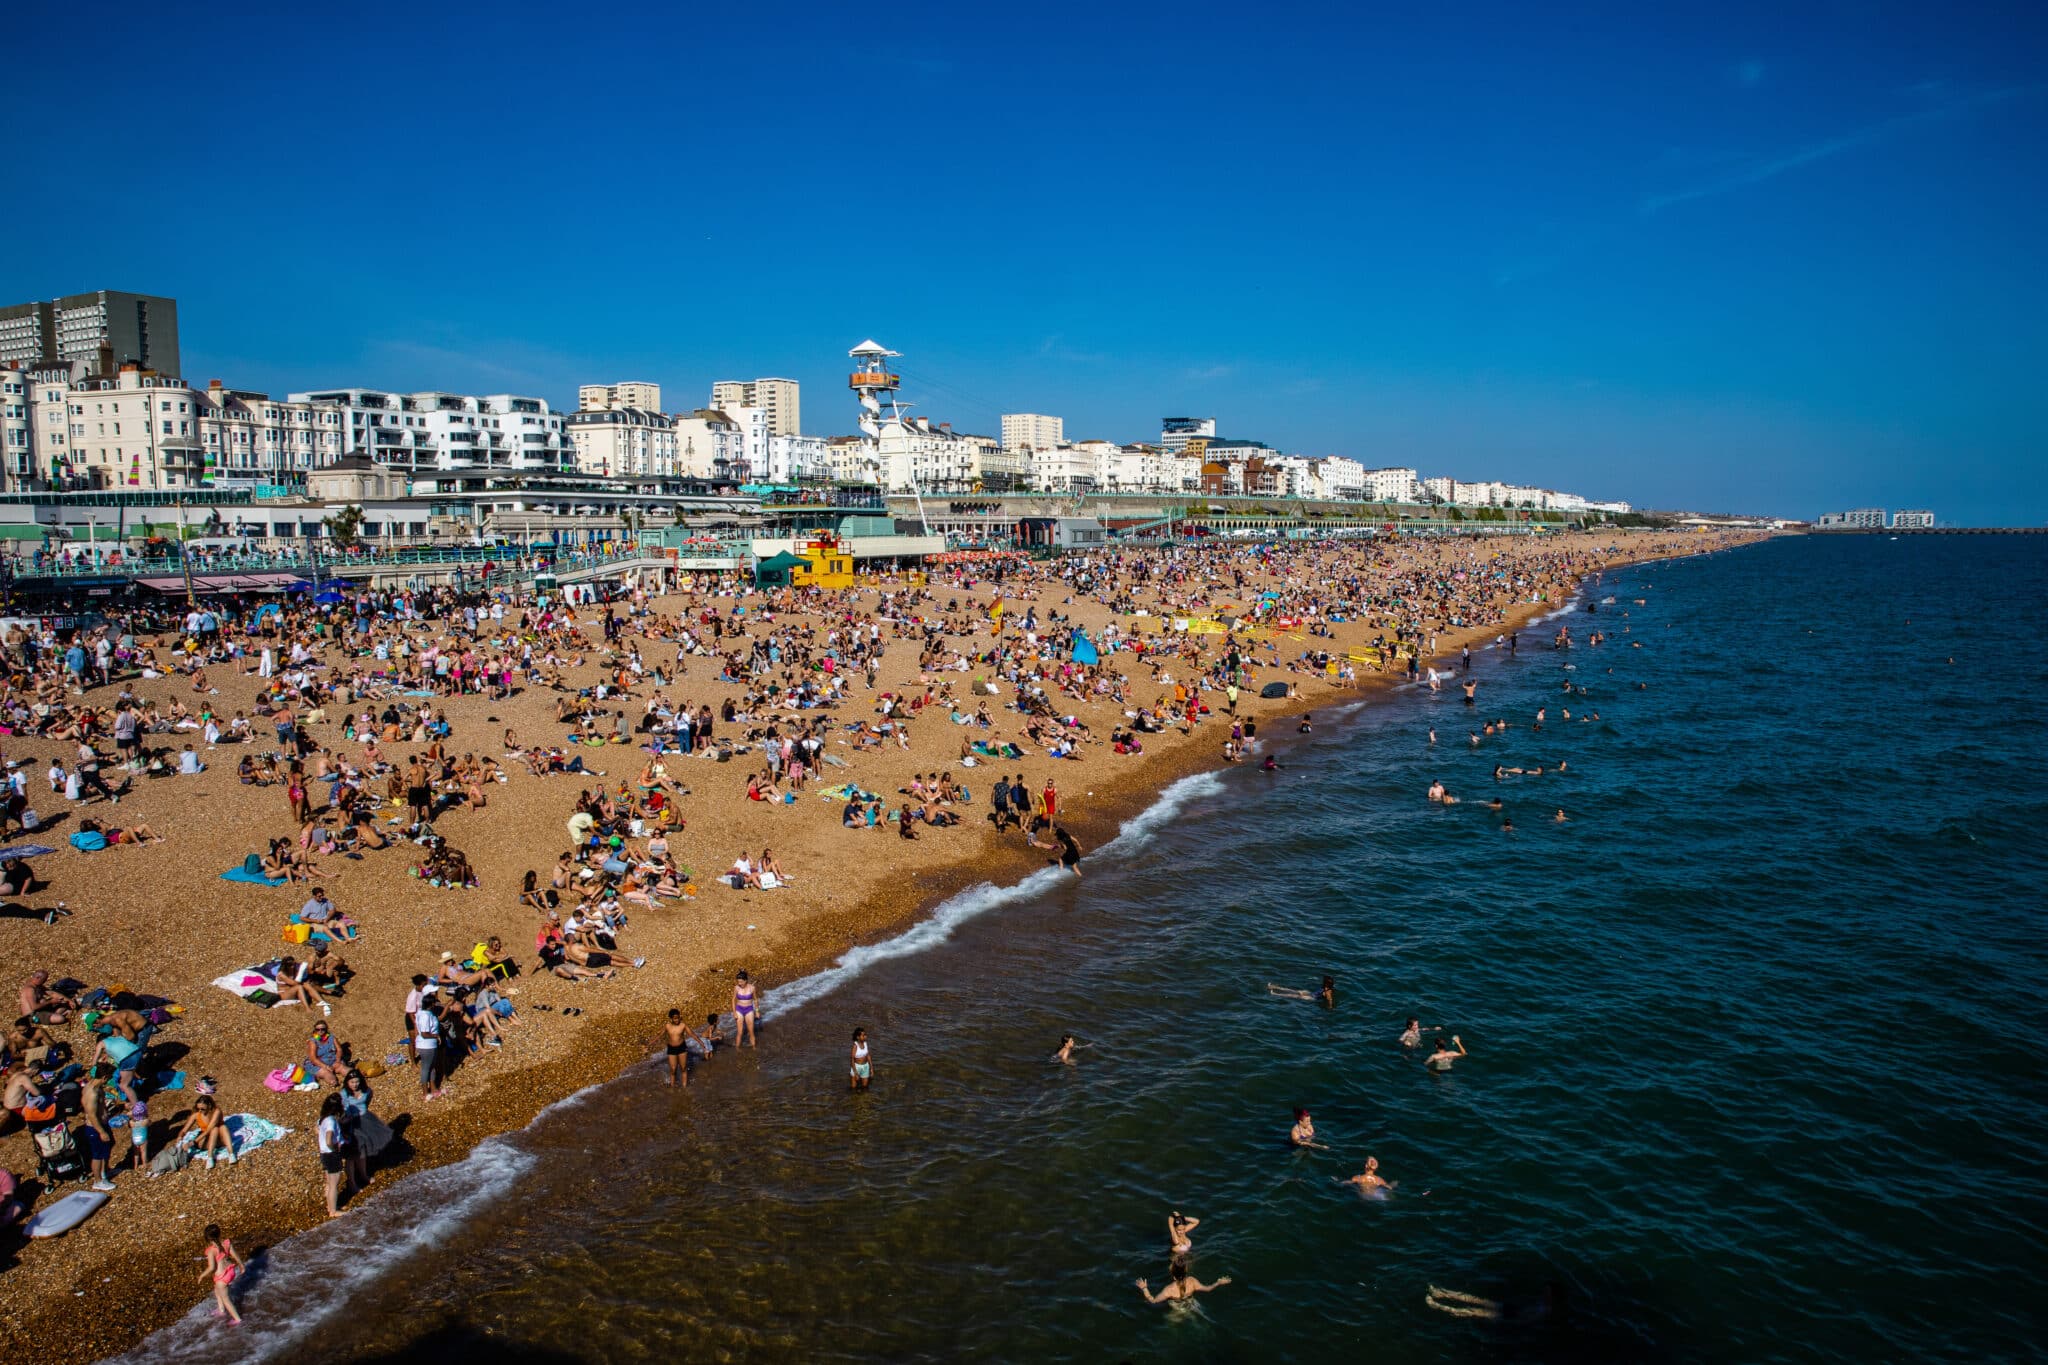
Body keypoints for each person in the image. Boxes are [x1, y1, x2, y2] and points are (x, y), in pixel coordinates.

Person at [201, 1223, 247, 1324]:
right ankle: (221, 1310)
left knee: (226, 1299)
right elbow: (235, 1256)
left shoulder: (211, 1251)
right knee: (217, 1290)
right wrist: (242, 1266)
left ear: (208, 1239)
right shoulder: (226, 1243)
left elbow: (212, 1267)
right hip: (231, 1271)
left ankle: (237, 1319)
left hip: (221, 1278)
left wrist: (202, 1275)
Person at [316, 1091, 349, 1217]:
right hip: (331, 1154)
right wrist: (334, 1147)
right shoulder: (331, 1121)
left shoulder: (323, 1118)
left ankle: (331, 1205)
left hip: (324, 1153)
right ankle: (333, 1211)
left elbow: (317, 1129)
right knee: (334, 1184)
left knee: (329, 1182)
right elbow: (329, 1138)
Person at [1137, 1261, 1232, 1304]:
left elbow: (1153, 1301)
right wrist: (1218, 1283)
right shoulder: (1192, 1281)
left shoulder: (1168, 1290)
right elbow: (1207, 1289)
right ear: (1185, 1272)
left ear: (1174, 1277)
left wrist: (1144, 1288)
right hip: (1192, 1302)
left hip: (1177, 1307)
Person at [661, 1008, 699, 1087]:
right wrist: (649, 1044)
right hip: (671, 1049)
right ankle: (672, 1085)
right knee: (673, 1069)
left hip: (682, 1048)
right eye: (675, 1018)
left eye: (678, 1018)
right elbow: (659, 1035)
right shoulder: (667, 1026)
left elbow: (692, 1034)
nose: (677, 1020)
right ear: (671, 1019)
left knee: (683, 1067)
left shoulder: (683, 1025)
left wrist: (702, 1044)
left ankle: (684, 1088)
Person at [731, 970, 758, 1048]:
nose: (740, 984)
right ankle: (737, 1049)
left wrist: (757, 1011)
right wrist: (734, 1013)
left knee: (751, 1031)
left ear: (746, 980)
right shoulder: (736, 988)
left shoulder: (752, 988)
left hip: (749, 1009)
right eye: (738, 982)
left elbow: (755, 999)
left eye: (741, 982)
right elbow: (733, 1000)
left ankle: (754, 1048)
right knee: (740, 1032)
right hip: (739, 1009)